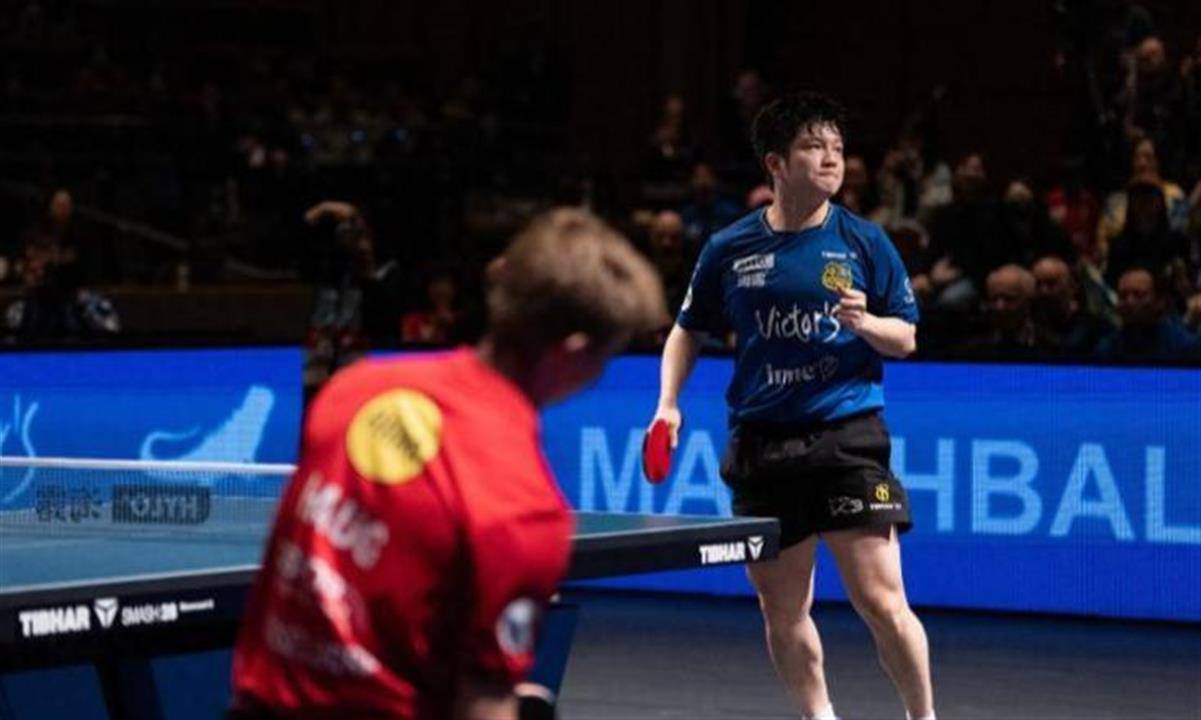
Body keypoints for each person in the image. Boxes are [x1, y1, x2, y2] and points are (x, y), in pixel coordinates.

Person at [230, 208, 668, 720]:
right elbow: (482, 704)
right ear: (572, 352)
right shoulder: (524, 507)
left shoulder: (353, 391)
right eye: (606, 357)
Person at [650, 92, 934, 720]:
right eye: (813, 146)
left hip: (845, 437)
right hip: (763, 446)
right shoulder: (729, 248)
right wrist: (668, 404)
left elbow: (907, 338)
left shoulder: (864, 241)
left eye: (837, 147)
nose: (831, 158)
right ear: (776, 163)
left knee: (882, 601)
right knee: (782, 610)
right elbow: (687, 331)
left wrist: (866, 324)